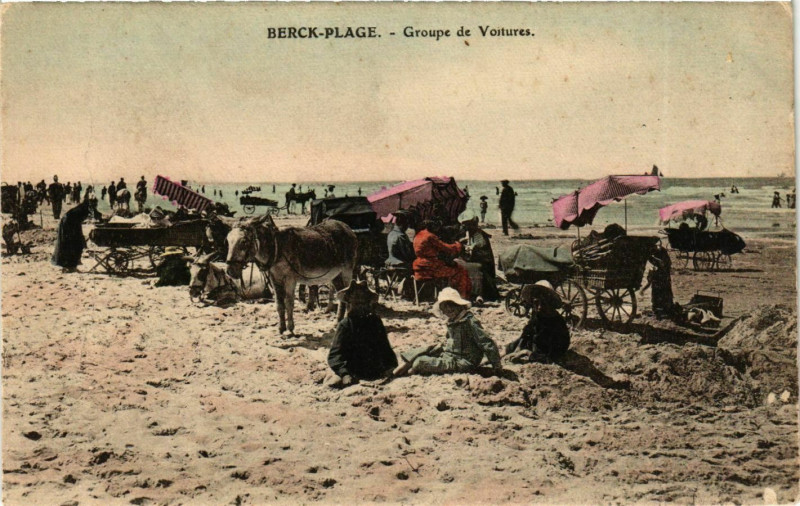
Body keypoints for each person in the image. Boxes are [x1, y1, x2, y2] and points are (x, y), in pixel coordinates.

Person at [396, 288, 502, 375]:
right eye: (445, 308)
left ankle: (410, 368)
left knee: (419, 362)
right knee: (426, 349)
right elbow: (449, 340)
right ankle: (406, 364)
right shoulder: (453, 320)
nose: (448, 310)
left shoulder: (469, 322)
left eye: (452, 306)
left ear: (459, 305)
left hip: (463, 362)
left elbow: (486, 343)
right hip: (450, 355)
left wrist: (496, 366)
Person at [325, 280, 398, 388]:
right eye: (356, 302)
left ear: (368, 302)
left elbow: (385, 348)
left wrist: (390, 367)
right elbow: (335, 355)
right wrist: (344, 374)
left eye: (362, 301)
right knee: (333, 383)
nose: (359, 304)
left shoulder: (375, 322)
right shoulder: (345, 324)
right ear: (349, 302)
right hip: (352, 370)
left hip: (374, 369)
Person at [505, 281, 570, 363]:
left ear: (550, 302)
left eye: (543, 303)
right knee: (513, 346)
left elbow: (552, 356)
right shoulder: (538, 313)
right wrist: (518, 347)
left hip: (546, 351)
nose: (539, 307)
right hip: (535, 343)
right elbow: (528, 330)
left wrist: (526, 353)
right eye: (536, 303)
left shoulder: (556, 323)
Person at [413, 219, 471, 299]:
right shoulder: (430, 236)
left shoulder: (419, 235)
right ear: (432, 227)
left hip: (419, 265)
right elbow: (446, 248)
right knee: (459, 271)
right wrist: (458, 245)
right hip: (430, 267)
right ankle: (461, 296)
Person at [51, 198, 100, 273]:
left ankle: (71, 266)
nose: (95, 206)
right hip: (68, 224)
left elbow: (95, 214)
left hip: (71, 224)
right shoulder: (84, 208)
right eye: (95, 204)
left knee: (75, 245)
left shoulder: (85, 207)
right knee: (71, 245)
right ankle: (69, 267)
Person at [461, 215, 500, 302]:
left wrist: (470, 248)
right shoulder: (475, 233)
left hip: (484, 260)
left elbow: (478, 246)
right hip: (481, 258)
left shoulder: (478, 234)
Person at [641, 243, 676, 320]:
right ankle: (663, 308)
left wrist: (643, 290)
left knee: (662, 294)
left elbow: (663, 263)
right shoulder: (660, 255)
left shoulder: (661, 256)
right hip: (663, 279)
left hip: (663, 279)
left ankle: (663, 309)